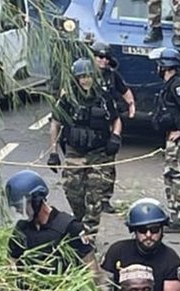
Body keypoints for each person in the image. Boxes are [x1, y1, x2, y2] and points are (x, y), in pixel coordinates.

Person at [47, 58, 123, 236]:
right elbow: (55, 124)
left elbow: (116, 119)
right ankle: (80, 222)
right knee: (72, 190)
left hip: (99, 153)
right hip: (75, 152)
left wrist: (115, 137)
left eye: (88, 76)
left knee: (94, 195)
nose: (85, 80)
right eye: (81, 77)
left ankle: (89, 235)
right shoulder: (68, 99)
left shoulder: (104, 97)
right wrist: (53, 152)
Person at [101, 199, 180, 291]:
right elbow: (104, 289)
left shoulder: (171, 260)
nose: (148, 235)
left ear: (162, 229)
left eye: (154, 230)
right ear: (134, 231)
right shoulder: (117, 251)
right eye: (142, 230)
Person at [150, 49, 180, 232]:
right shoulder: (170, 85)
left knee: (176, 175)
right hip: (171, 134)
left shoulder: (178, 85)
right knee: (172, 175)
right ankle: (176, 214)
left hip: (178, 136)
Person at [91, 41, 134, 214]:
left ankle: (105, 198)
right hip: (88, 124)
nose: (103, 61)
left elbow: (124, 91)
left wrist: (131, 104)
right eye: (100, 57)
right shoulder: (82, 73)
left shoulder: (111, 75)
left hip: (107, 122)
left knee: (108, 164)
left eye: (106, 58)